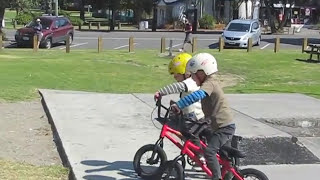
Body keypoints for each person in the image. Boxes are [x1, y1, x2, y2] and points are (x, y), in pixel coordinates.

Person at [170, 53, 235, 180]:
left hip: (224, 127)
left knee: (210, 152)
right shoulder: (208, 83)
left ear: (202, 72)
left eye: (194, 74)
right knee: (224, 156)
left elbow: (196, 96)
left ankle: (216, 177)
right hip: (219, 126)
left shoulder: (210, 83)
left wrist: (179, 104)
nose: (192, 78)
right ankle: (230, 174)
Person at [154, 52, 206, 164]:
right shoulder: (190, 83)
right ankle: (196, 152)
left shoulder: (190, 82)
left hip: (194, 117)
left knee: (191, 134)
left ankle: (200, 155)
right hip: (190, 116)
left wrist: (161, 92)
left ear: (184, 72)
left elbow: (176, 87)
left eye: (176, 75)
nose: (175, 77)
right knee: (185, 132)